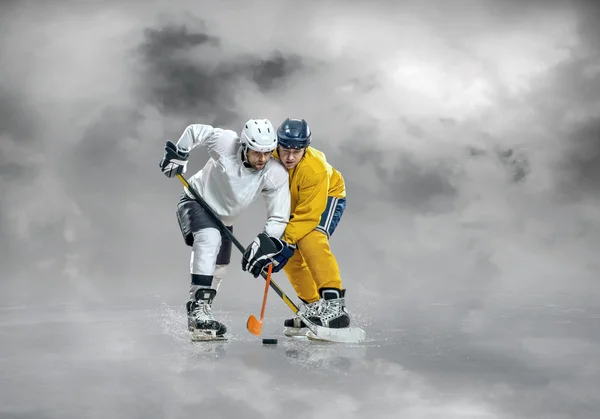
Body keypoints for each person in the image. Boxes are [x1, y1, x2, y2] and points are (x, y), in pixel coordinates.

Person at [159, 118, 291, 340]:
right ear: (245, 146)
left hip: (225, 219)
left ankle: (203, 311)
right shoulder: (226, 142)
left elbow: (279, 215)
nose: (262, 159)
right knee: (209, 238)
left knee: (219, 267)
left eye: (268, 153)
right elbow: (195, 131)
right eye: (257, 152)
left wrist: (267, 240)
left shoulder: (275, 173)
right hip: (197, 201)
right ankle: (197, 308)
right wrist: (180, 154)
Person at [241, 118, 351, 337]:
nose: (289, 157)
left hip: (326, 197)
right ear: (276, 146)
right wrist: (279, 244)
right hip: (294, 200)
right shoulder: (267, 156)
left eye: (297, 151)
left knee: (311, 238)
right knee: (289, 256)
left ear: (305, 149)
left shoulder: (315, 169)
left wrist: (285, 242)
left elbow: (309, 216)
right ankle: (312, 307)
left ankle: (334, 307)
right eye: (284, 150)